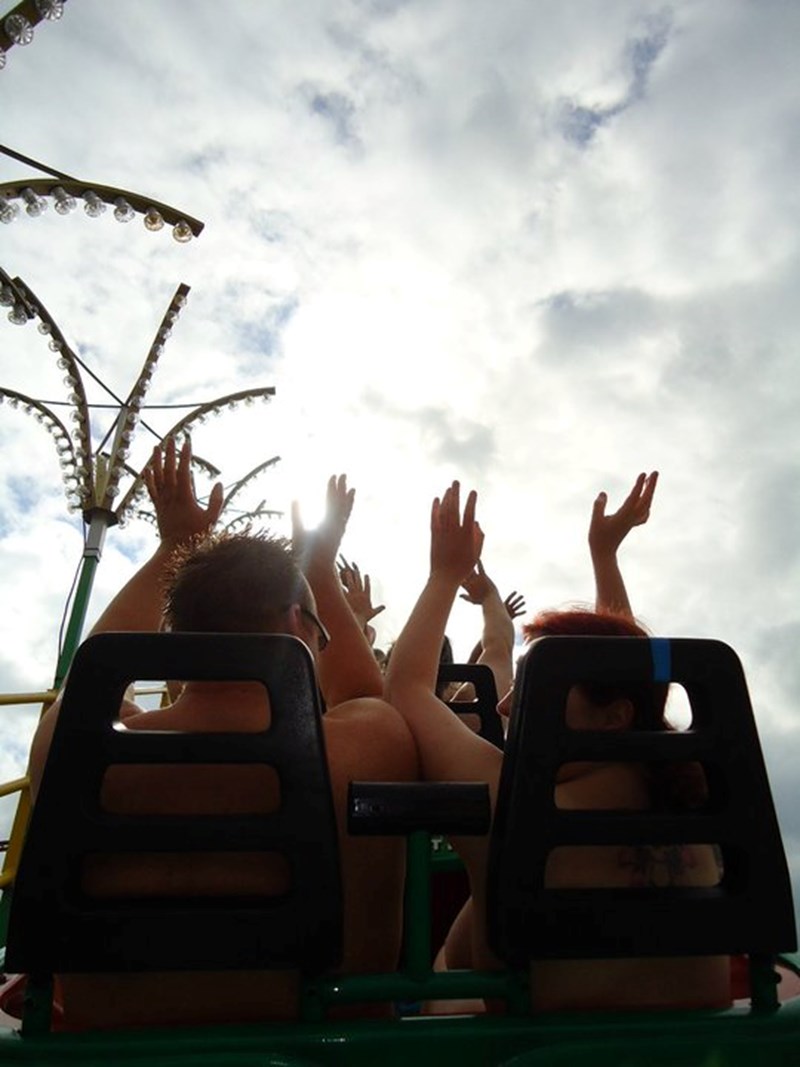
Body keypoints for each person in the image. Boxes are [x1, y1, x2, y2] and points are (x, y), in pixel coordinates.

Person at [27, 439, 418, 1030]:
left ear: (173, 638)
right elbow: (363, 692)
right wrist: (315, 566)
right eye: (319, 633)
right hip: (325, 1046)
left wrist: (171, 550)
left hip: (113, 1051)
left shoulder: (75, 741)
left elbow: (88, 681)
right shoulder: (362, 745)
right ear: (295, 624)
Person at [383, 480, 730, 1013]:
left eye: (535, 686)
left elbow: (406, 687)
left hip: (530, 1049)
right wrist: (605, 557)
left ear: (614, 718)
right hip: (695, 1046)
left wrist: (442, 575)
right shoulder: (698, 807)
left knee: (447, 982)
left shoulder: (508, 803)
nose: (503, 706)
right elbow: (624, 682)